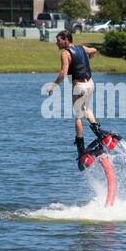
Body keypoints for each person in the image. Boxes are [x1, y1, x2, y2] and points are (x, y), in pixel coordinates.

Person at [47, 30, 106, 170]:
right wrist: (92, 54)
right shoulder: (81, 48)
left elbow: (63, 73)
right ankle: (100, 135)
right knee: (86, 110)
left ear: (66, 40)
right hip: (91, 84)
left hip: (79, 87)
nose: (57, 43)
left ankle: (80, 148)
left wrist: (53, 86)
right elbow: (95, 49)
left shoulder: (65, 53)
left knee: (78, 116)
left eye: (59, 40)